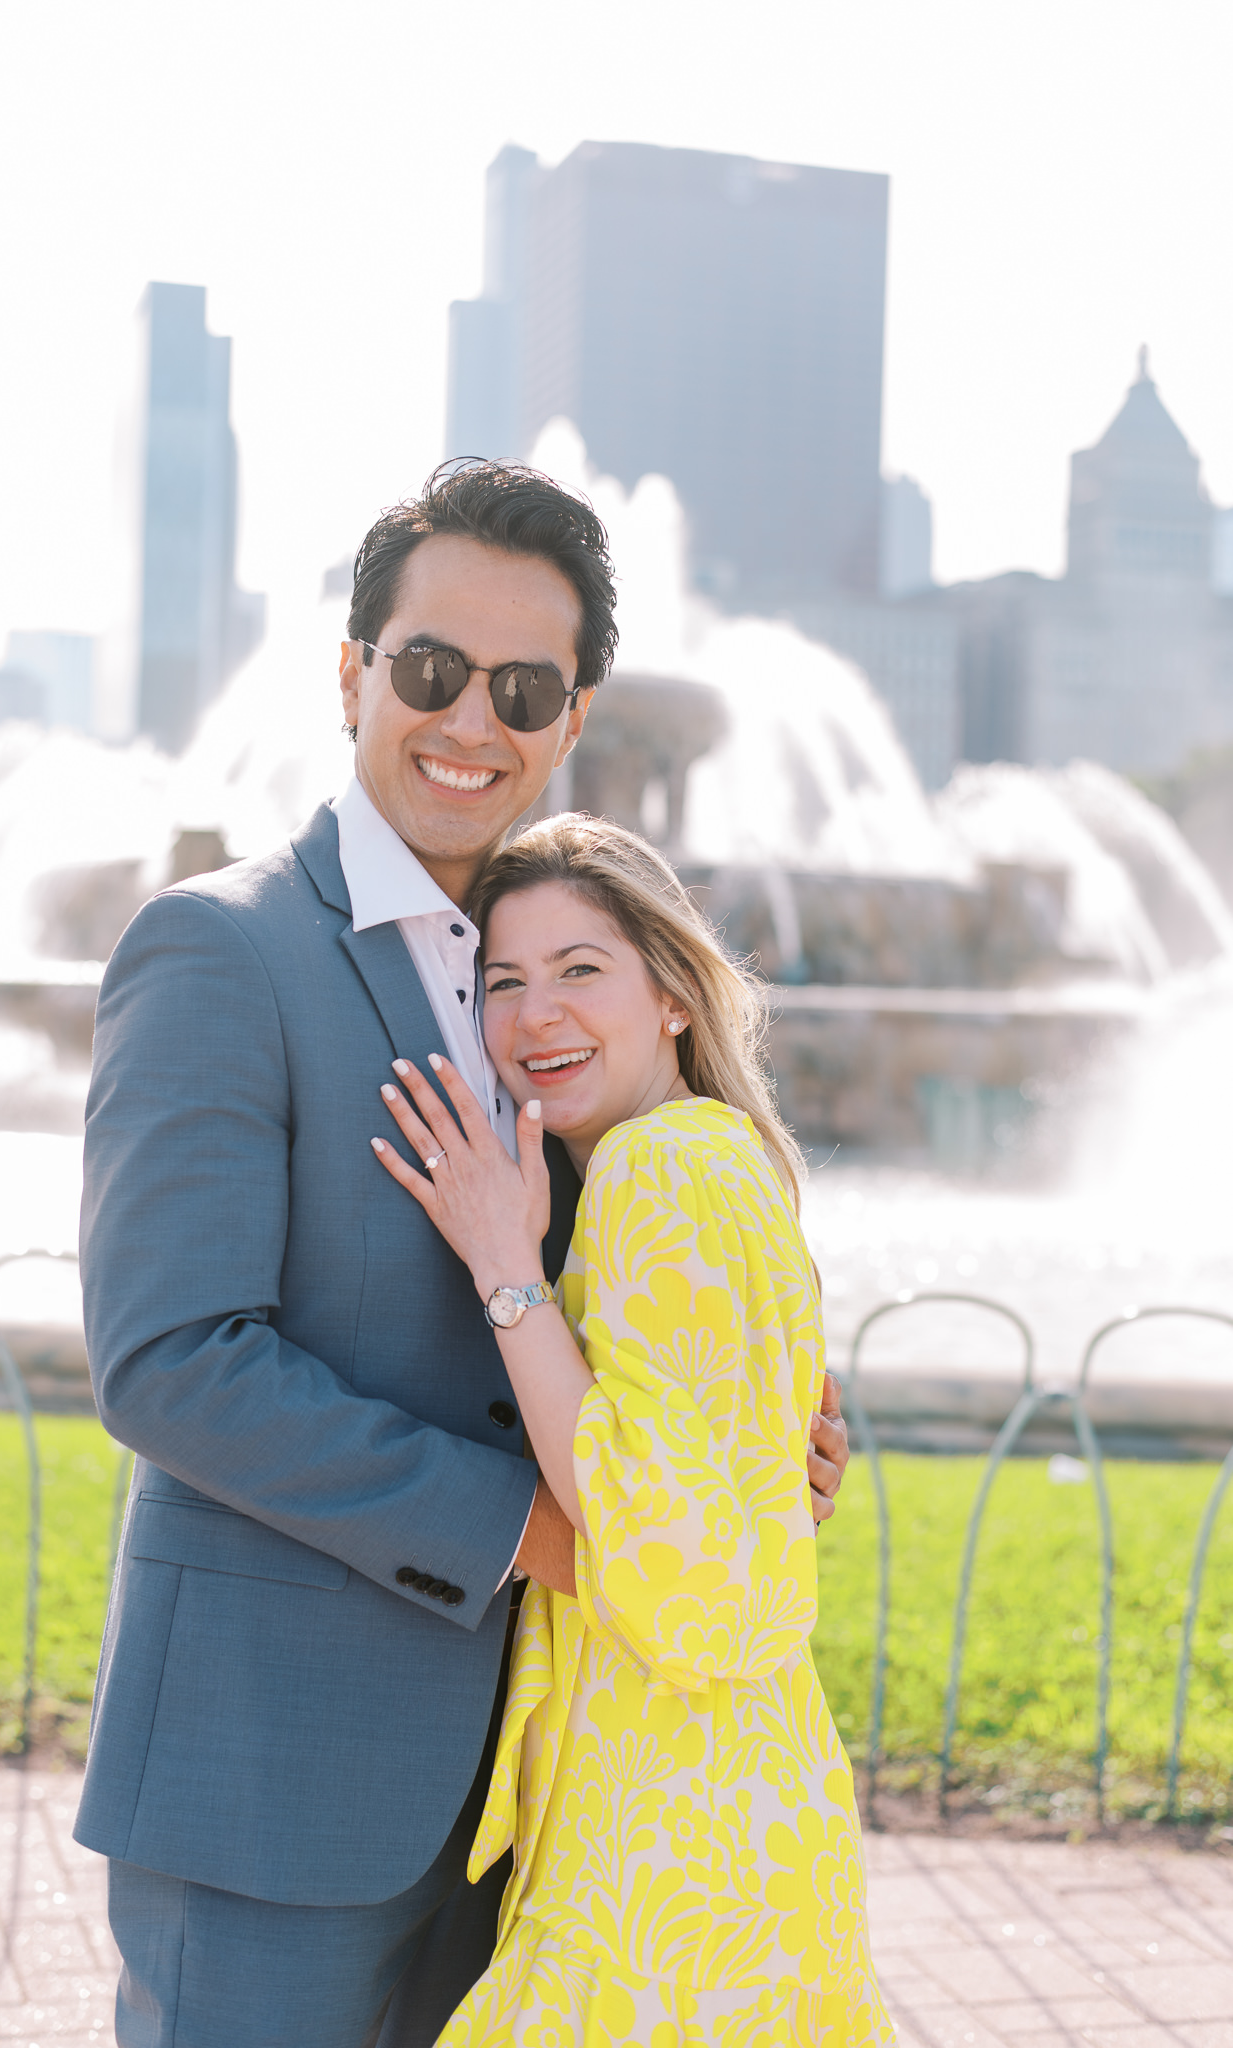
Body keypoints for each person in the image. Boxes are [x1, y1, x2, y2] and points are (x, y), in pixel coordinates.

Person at [73, 459, 851, 2048]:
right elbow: (172, 1364)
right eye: (429, 670)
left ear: (572, 718)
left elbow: (622, 1310)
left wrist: (730, 1446)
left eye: (521, 686)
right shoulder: (216, 952)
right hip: (275, 1781)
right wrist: (549, 1533)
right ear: (354, 672)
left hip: (534, 1794)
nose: (467, 720)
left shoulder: (557, 992)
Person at [372, 814, 891, 2047]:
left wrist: (505, 1269)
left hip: (675, 1821)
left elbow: (660, 1544)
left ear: (670, 992)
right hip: (717, 1799)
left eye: (579, 969)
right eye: (502, 981)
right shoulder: (703, 1161)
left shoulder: (659, 1173)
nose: (534, 1014)